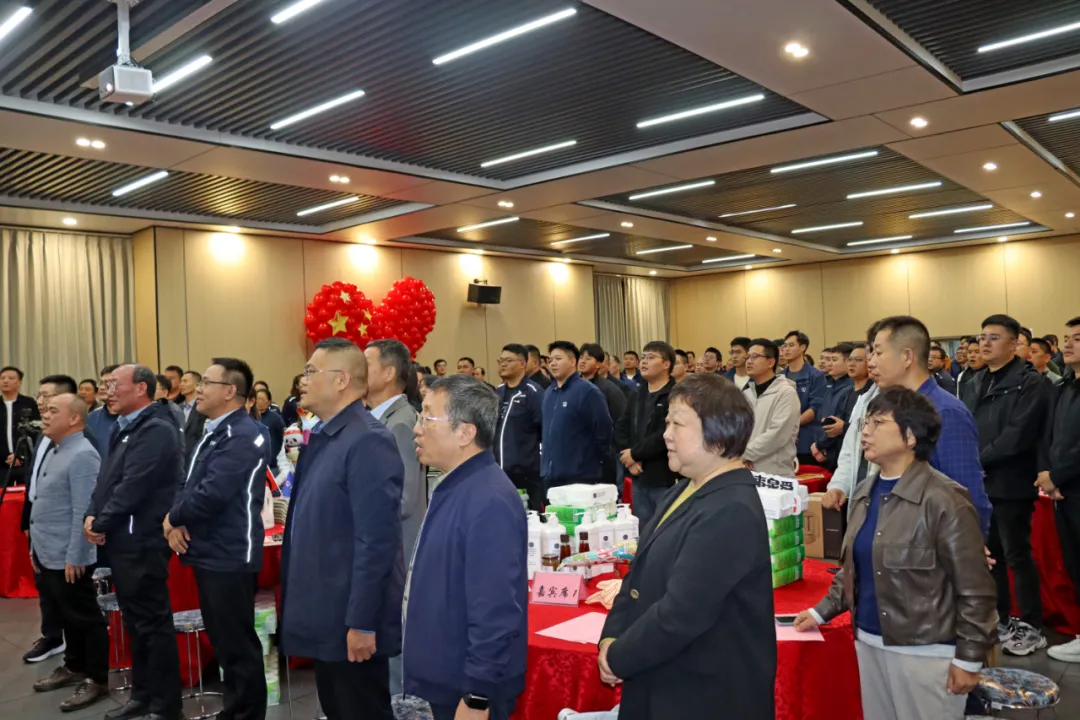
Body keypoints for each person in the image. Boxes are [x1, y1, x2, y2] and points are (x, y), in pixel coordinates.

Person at [794, 387, 996, 720]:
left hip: (926, 651)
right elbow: (854, 568)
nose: (866, 431)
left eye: (878, 423)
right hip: (869, 642)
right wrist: (820, 612)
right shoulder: (864, 492)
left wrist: (969, 659)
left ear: (911, 436)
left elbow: (976, 588)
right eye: (866, 423)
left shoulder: (945, 499)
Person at [600, 373, 776, 719]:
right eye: (666, 423)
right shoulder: (684, 489)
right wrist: (611, 637)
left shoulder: (731, 508)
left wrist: (619, 657)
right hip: (662, 675)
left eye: (677, 424)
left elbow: (682, 612)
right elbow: (637, 576)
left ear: (718, 434)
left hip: (704, 692)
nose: (666, 434)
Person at [279, 338, 404, 720]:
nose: (303, 380)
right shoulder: (325, 435)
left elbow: (376, 541)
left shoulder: (367, 439)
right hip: (326, 610)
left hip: (349, 617)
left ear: (341, 380)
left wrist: (362, 622)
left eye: (311, 371)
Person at [406, 375, 526, 720]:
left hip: (467, 688)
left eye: (427, 417)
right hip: (446, 675)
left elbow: (495, 608)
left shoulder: (489, 499)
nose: (417, 429)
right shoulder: (455, 485)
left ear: (465, 433)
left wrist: (477, 695)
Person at [164, 358, 268, 720]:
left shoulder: (244, 434)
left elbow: (212, 493)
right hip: (209, 549)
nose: (198, 389)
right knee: (224, 641)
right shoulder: (214, 429)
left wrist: (173, 518)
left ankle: (247, 713)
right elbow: (186, 480)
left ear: (230, 391)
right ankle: (235, 708)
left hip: (230, 553)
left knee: (237, 644)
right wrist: (174, 519)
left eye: (206, 383)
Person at [825, 317, 992, 539]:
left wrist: (968, 546)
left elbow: (966, 495)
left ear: (906, 357)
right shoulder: (883, 404)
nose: (871, 362)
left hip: (926, 543)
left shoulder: (945, 411)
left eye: (878, 353)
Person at [84, 365, 183, 720]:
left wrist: (102, 521)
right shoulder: (124, 427)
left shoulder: (156, 429)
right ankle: (142, 696)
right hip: (122, 539)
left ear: (141, 388)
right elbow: (106, 480)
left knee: (153, 626)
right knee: (136, 624)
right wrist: (92, 513)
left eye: (114, 385)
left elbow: (134, 486)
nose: (106, 391)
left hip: (142, 541)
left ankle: (166, 707)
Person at [967, 314, 1050, 655]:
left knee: (1017, 553)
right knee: (992, 555)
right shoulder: (975, 380)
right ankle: (1000, 619)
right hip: (981, 481)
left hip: (1011, 480)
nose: (985, 343)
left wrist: (978, 460)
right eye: (982, 337)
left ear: (1014, 344)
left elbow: (1019, 433)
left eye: (994, 337)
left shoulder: (1031, 382)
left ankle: (1031, 625)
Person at [28, 393, 110, 712]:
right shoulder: (57, 449)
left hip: (68, 553)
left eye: (53, 411)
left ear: (74, 418)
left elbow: (83, 510)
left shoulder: (83, 454)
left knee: (84, 616)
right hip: (48, 549)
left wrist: (78, 554)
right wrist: (35, 547)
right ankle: (74, 665)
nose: (45, 415)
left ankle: (97, 678)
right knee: (65, 614)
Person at [363, 339, 425, 593]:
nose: (357, 371)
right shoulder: (375, 419)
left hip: (394, 552)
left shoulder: (400, 423)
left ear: (389, 373)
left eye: (366, 364)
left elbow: (404, 499)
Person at [1041, 318, 1080, 662]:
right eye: (1067, 338)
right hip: (1063, 490)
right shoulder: (1065, 386)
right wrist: (1047, 474)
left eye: (1077, 339)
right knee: (1073, 563)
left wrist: (1059, 477)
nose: (1067, 344)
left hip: (1072, 485)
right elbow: (1050, 436)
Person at [615, 342, 678, 525]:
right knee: (643, 529)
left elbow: (664, 434)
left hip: (663, 475)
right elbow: (621, 427)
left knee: (665, 527)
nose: (643, 362)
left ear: (666, 364)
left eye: (650, 358)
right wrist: (629, 457)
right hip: (637, 474)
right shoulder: (637, 394)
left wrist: (635, 454)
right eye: (643, 357)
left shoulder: (675, 394)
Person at [541, 341, 613, 490]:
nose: (553, 363)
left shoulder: (587, 392)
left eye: (558, 359)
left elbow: (604, 432)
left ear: (573, 362)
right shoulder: (549, 393)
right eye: (550, 360)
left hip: (580, 477)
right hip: (550, 475)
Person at [493, 344, 544, 511]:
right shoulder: (498, 392)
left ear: (522, 364)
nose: (503, 364)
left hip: (525, 474)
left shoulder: (533, 392)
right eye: (500, 361)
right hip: (498, 472)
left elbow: (544, 431)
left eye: (508, 361)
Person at [741, 339, 800, 476]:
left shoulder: (786, 392)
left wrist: (743, 455)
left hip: (775, 473)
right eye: (747, 357)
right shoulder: (746, 394)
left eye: (755, 356)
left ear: (771, 362)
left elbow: (777, 435)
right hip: (746, 470)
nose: (749, 361)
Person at [816, 343, 874, 471]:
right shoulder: (848, 393)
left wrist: (844, 427)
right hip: (842, 455)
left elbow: (869, 426)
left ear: (870, 363)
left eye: (858, 360)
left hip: (864, 457)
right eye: (850, 360)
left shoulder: (872, 394)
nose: (852, 364)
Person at [780, 330, 828, 467]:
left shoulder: (816, 376)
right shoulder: (780, 377)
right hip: (782, 440)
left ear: (802, 347)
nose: (786, 349)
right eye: (784, 346)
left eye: (791, 345)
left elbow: (814, 409)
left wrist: (791, 427)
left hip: (806, 440)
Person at [810, 343, 855, 470]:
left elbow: (838, 422)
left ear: (848, 362)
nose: (829, 364)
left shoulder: (849, 388)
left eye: (834, 360)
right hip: (823, 449)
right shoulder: (829, 385)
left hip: (837, 451)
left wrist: (820, 445)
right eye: (828, 360)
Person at [2, 365, 39, 485]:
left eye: (11, 378)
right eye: (2, 378)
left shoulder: (30, 404)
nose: (5, 381)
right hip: (1, 464)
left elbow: (36, 432)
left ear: (19, 382)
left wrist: (20, 456)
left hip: (25, 463)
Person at [86, 365, 121, 461]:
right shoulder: (91, 418)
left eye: (108, 383)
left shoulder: (133, 417)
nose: (101, 388)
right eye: (101, 383)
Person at [251, 387, 285, 475]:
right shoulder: (249, 417)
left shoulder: (276, 418)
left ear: (269, 402)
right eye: (257, 399)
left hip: (272, 465)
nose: (259, 402)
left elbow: (283, 437)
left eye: (262, 399)